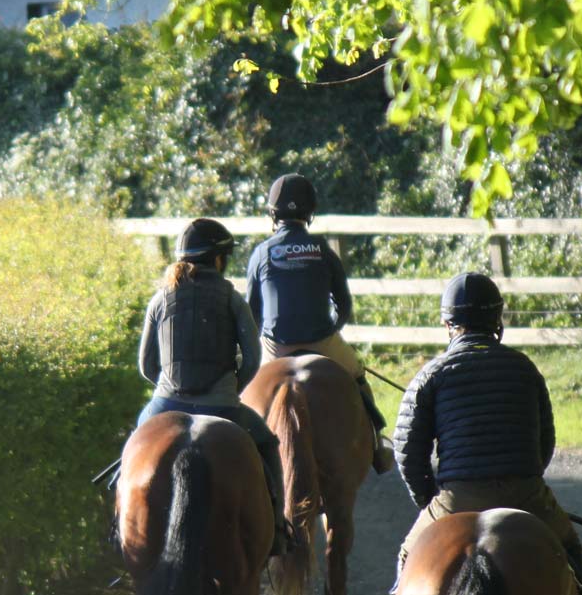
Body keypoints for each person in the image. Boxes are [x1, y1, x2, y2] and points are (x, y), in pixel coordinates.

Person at [386, 272, 582, 595]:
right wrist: (522, 479)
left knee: (407, 557)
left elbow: (407, 454)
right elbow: (543, 442)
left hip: (457, 499)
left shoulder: (431, 374)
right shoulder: (523, 368)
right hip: (525, 494)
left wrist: (431, 503)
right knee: (571, 550)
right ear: (497, 320)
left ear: (448, 323)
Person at [136, 217, 296, 555]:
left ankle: (124, 527)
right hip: (221, 407)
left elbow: (146, 366)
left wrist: (168, 388)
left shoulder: (160, 298)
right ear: (218, 259)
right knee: (267, 445)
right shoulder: (231, 298)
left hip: (165, 404)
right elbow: (252, 358)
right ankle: (279, 530)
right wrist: (230, 387)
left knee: (134, 451)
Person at [244, 173, 394, 473]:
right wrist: (328, 333)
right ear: (310, 212)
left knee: (246, 391)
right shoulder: (322, 249)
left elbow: (252, 312)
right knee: (356, 374)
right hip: (321, 342)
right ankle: (376, 442)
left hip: (276, 346)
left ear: (273, 213)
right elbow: (344, 305)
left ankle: (242, 448)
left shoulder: (261, 252)